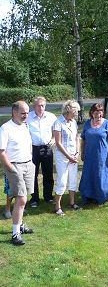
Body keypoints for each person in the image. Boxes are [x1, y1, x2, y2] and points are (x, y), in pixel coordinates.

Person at [0, 101, 36, 245]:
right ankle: (15, 235)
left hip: (28, 164)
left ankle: (20, 225)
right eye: (23, 113)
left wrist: (31, 161)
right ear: (14, 112)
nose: (25, 115)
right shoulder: (5, 128)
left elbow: (28, 143)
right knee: (21, 199)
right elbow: (1, 152)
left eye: (27, 113)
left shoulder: (25, 126)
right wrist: (10, 168)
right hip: (14, 167)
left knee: (23, 198)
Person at [79, 103, 108, 204]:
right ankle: (90, 196)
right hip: (89, 154)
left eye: (100, 113)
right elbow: (83, 139)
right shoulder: (87, 123)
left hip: (103, 155)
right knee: (90, 174)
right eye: (96, 113)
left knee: (102, 174)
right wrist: (82, 153)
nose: (98, 116)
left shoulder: (107, 123)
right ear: (92, 113)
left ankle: (103, 195)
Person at [26, 96, 57, 207]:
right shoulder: (28, 117)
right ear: (34, 106)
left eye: (43, 105)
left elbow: (57, 129)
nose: (41, 108)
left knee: (48, 173)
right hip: (32, 149)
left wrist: (53, 139)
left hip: (47, 148)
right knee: (32, 174)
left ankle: (48, 197)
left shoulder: (51, 116)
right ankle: (34, 199)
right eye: (38, 106)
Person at [53, 100, 82, 216]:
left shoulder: (73, 122)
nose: (76, 114)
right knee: (62, 180)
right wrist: (69, 156)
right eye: (76, 112)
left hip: (73, 156)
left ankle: (72, 202)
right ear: (70, 111)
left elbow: (76, 138)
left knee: (73, 179)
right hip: (62, 157)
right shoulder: (58, 123)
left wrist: (76, 153)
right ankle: (57, 206)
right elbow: (58, 143)